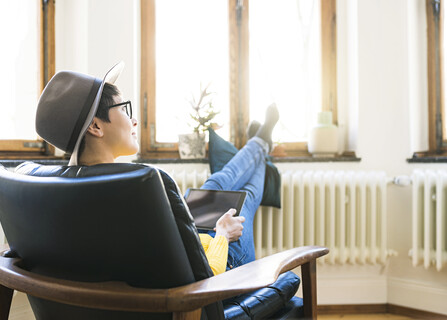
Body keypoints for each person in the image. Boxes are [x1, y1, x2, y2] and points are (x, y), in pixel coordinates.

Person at [34, 62, 278, 276]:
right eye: (123, 108)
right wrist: (222, 235)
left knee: (216, 185)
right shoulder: (140, 189)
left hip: (186, 251)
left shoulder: (65, 192)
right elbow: (206, 278)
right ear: (96, 126)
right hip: (209, 283)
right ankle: (261, 145)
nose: (134, 120)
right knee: (244, 199)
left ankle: (260, 143)